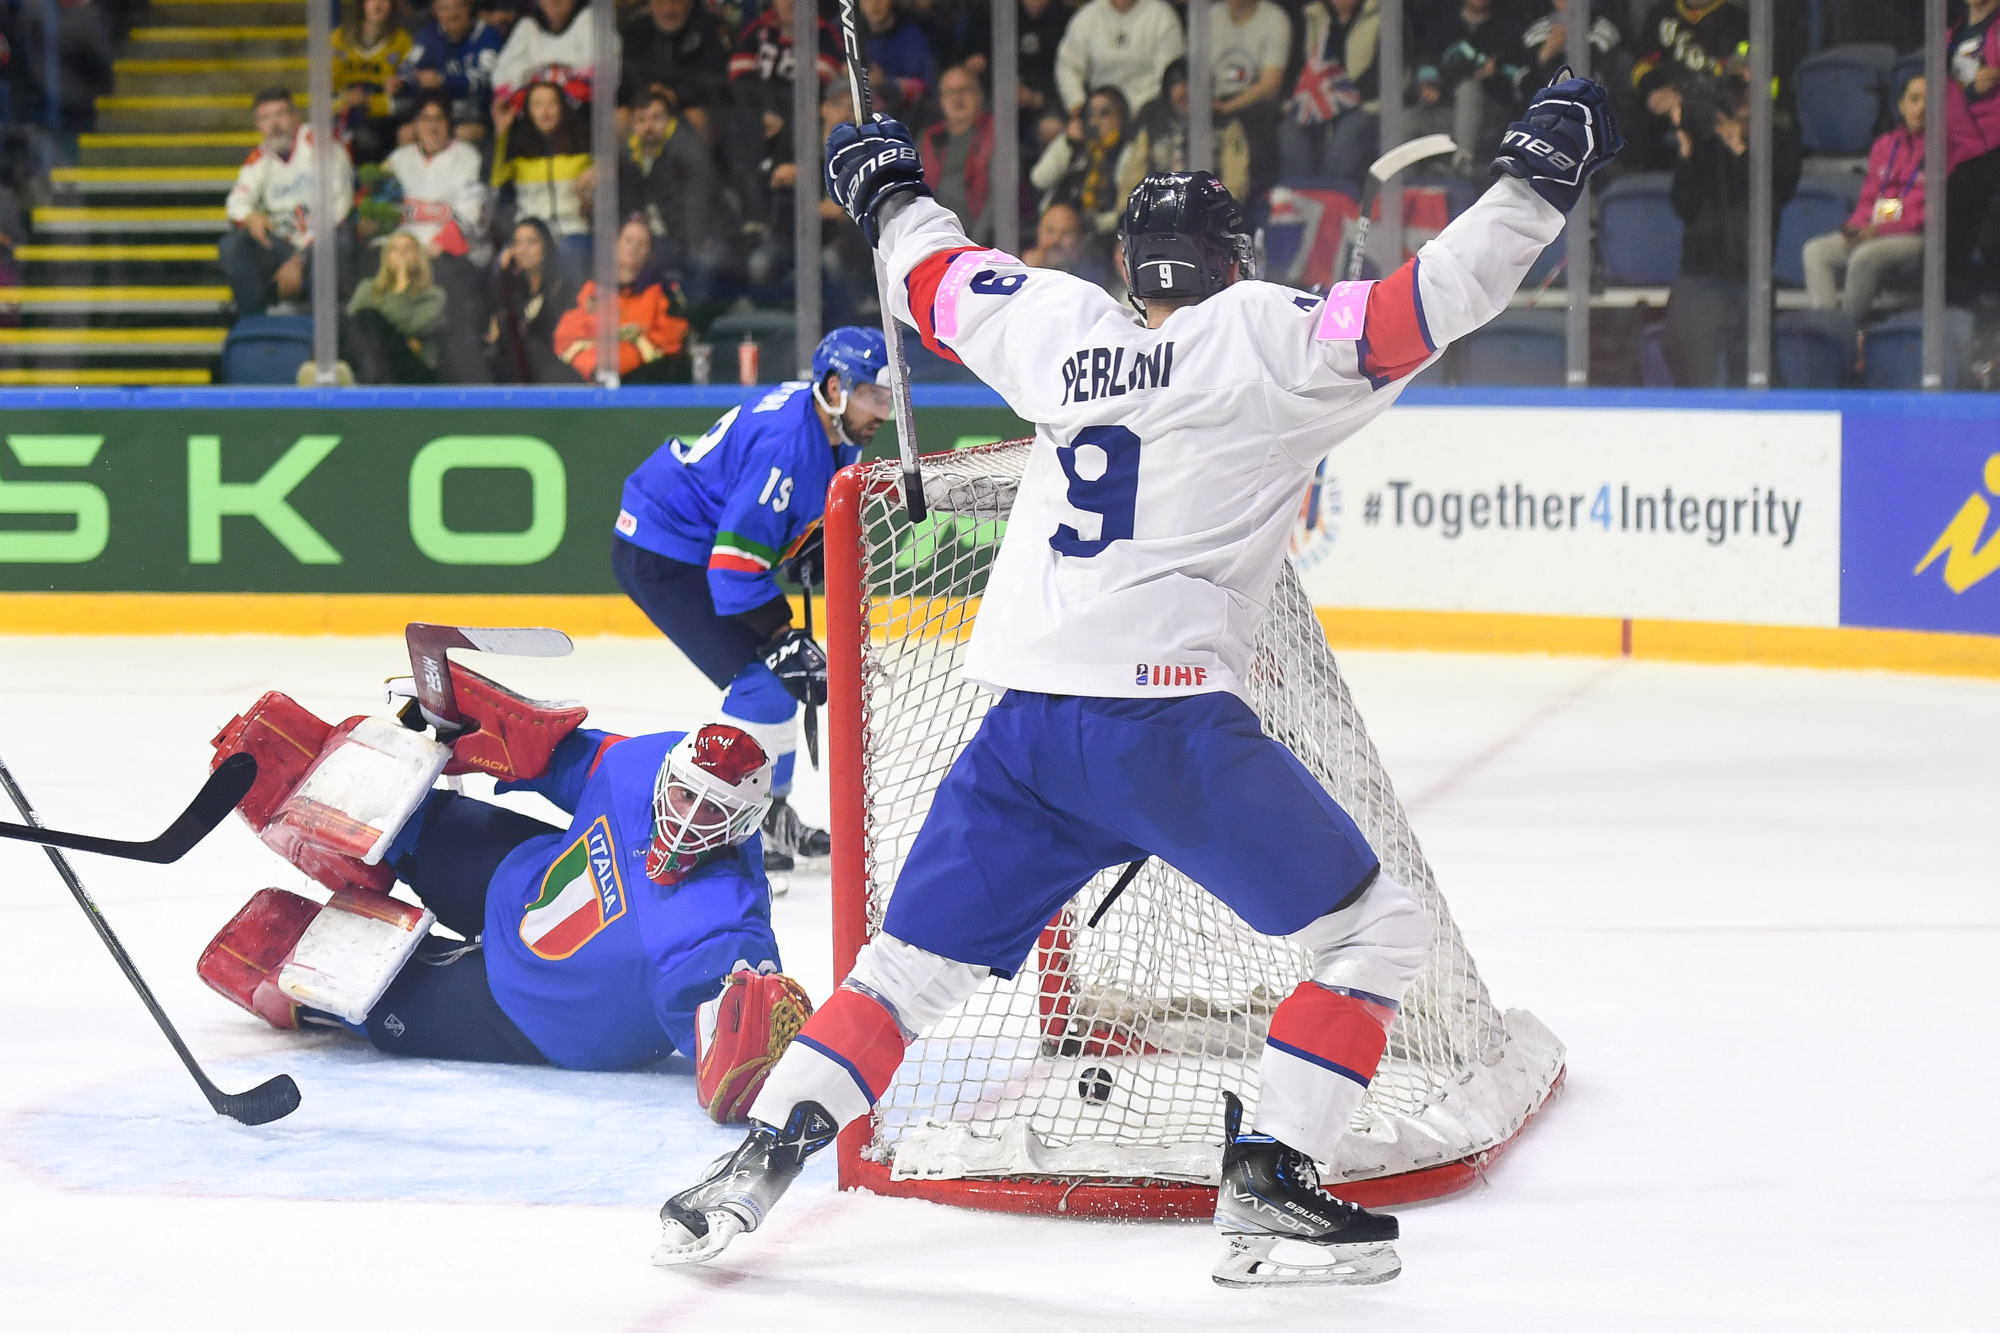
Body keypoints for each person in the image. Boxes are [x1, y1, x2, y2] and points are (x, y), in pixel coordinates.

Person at [654, 70, 1618, 1284]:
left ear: (1125, 268)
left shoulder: (1062, 329)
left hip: (1017, 736)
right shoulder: (1269, 331)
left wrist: (889, 190)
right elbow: (1430, 300)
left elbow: (936, 280)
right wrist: (1532, 187)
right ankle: (1270, 1180)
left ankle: (754, 1164)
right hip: (1163, 729)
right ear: (1232, 259)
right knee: (1374, 929)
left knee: (902, 971)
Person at [197, 674, 810, 1119]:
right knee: (375, 801)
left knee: (340, 983)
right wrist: (495, 742)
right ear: (669, 774)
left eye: (715, 812)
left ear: (747, 823)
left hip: (538, 1018)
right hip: (516, 877)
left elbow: (735, 1067)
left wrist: (762, 1054)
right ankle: (315, 828)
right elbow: (558, 760)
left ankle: (304, 992)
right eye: (684, 796)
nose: (690, 820)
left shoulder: (721, 934)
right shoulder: (641, 766)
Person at [611, 327, 895, 871]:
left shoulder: (825, 420)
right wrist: (782, 635)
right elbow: (734, 569)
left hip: (695, 545)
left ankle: (771, 815)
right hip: (663, 553)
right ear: (835, 388)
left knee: (775, 684)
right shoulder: (788, 445)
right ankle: (734, 824)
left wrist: (801, 543)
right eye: (871, 395)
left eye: (887, 397)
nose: (881, 409)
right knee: (765, 683)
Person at [1664, 71, 1801, 386]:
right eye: (1736, 89)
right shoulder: (1704, 141)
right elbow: (1682, 205)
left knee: (1753, 376)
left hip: (1749, 274)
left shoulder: (1780, 140)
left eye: (1751, 89)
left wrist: (1740, 149)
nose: (1743, 96)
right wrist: (1687, 149)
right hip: (1700, 273)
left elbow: (1773, 197)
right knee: (1695, 375)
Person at [221, 88, 355, 319]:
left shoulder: (317, 142)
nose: (274, 124)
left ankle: (326, 325)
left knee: (340, 240)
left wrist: (300, 259)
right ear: (258, 125)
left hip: (322, 242)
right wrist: (251, 217)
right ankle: (255, 324)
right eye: (266, 117)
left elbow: (341, 206)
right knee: (232, 244)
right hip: (285, 244)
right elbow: (235, 202)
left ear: (295, 116)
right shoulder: (259, 158)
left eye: (280, 114)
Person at [1804, 74, 1926, 324]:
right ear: (1901, 106)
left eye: (1929, 100)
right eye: (1914, 99)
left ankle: (1848, 330)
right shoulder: (1884, 145)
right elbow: (1868, 200)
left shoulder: (1947, 149)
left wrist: (1878, 230)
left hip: (1916, 235)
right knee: (1815, 252)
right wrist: (1855, 227)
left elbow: (1924, 213)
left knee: (1864, 256)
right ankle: (1830, 330)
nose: (1922, 107)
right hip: (1875, 229)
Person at [385, 95, 493, 378]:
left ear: (448, 125)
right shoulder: (398, 160)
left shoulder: (467, 156)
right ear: (415, 126)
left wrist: (436, 247)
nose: (432, 126)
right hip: (401, 254)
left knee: (452, 308)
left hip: (446, 254)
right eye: (425, 119)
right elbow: (381, 211)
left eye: (439, 119)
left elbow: (470, 213)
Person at [617, 86, 734, 297]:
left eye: (657, 118)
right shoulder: (629, 155)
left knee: (702, 262)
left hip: (702, 237)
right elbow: (628, 205)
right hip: (661, 240)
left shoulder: (687, 149)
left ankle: (695, 324)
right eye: (641, 120)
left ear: (670, 120)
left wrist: (695, 242)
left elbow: (697, 202)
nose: (648, 126)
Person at [555, 214, 692, 381]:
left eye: (641, 244)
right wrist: (593, 365)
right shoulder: (591, 289)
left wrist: (622, 359)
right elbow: (566, 337)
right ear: (616, 245)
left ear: (650, 253)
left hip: (640, 382)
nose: (633, 248)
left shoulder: (663, 291)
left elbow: (670, 339)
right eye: (628, 240)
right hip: (590, 378)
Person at [1411, 0, 1529, 176]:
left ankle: (1463, 163)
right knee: (1406, 120)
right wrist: (1428, 86)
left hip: (1492, 116)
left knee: (1469, 89)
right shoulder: (1444, 28)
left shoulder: (1509, 30)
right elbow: (1427, 66)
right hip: (1449, 113)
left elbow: (1522, 82)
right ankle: (1400, 190)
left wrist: (1494, 75)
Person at [1626, 0, 1747, 171]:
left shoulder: (1738, 21)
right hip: (1664, 102)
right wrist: (1654, 91)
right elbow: (1642, 66)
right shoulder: (1660, 15)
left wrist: (1682, 94)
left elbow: (1735, 75)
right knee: (1634, 122)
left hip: (1713, 106)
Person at [492, 80, 594, 283]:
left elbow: (616, 166)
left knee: (568, 254)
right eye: (537, 104)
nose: (544, 111)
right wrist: (501, 134)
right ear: (528, 110)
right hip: (531, 235)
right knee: (500, 263)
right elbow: (494, 182)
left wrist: (600, 169)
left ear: (562, 107)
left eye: (551, 103)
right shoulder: (517, 152)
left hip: (573, 231)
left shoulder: (583, 147)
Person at [1280, 0, 1380, 186]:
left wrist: (1341, 97)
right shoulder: (1310, 17)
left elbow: (1384, 74)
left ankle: (1331, 200)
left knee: (1349, 131)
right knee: (1289, 130)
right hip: (1314, 102)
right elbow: (1297, 68)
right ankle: (1297, 200)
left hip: (1366, 107)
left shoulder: (1382, 18)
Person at [1125, 58, 1251, 204]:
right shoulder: (1152, 129)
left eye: (1189, 83)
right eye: (1175, 84)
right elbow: (1133, 179)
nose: (1182, 92)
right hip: (1159, 214)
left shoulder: (1226, 127)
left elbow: (1236, 182)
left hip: (1209, 214)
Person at [1032, 84, 1138, 236]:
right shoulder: (1076, 147)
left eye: (1104, 114)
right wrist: (1068, 144)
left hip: (1106, 236)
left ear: (1121, 118)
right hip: (1060, 228)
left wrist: (1091, 223)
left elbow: (1125, 212)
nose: (1094, 122)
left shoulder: (1130, 153)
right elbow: (1039, 180)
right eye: (1090, 114)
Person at [1946, 0, 2000, 298]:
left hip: (1996, 147)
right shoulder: (1951, 35)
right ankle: (1958, 322)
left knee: (1993, 240)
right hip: (1964, 151)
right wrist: (1970, 83)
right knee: (1948, 244)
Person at [1208, 0, 1289, 196]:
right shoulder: (1210, 17)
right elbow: (1194, 74)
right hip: (1213, 101)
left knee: (1255, 125)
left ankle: (1242, 201)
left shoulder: (1275, 19)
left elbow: (1270, 85)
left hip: (1254, 104)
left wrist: (1229, 107)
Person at [618, 0, 732, 137]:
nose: (668, 9)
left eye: (676, 1)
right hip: (645, 104)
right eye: (661, 3)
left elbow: (716, 80)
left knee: (696, 118)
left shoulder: (710, 27)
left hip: (688, 107)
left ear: (689, 3)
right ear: (650, 4)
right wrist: (650, 94)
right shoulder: (636, 29)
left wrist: (675, 95)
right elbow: (627, 78)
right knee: (619, 118)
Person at [345, 229, 446, 382]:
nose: (401, 255)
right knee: (343, 319)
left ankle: (375, 385)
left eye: (408, 249)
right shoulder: (368, 288)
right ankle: (319, 373)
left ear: (419, 255)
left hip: (415, 369)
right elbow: (353, 324)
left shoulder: (433, 296)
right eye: (395, 250)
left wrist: (400, 284)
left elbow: (406, 326)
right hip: (370, 361)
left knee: (372, 319)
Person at [489, 216, 582, 381]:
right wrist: (504, 276)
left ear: (545, 246)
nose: (522, 250)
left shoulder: (564, 291)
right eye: (517, 243)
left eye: (531, 242)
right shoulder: (511, 291)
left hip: (553, 378)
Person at [1054, 0, 1184, 118]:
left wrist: (1152, 109)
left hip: (1151, 113)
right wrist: (1077, 104)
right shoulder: (1087, 17)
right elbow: (1067, 66)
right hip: (1100, 115)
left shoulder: (1162, 16)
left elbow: (1170, 74)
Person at [399, 0, 505, 134]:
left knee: (462, 133)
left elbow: (485, 79)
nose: (452, 14)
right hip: (436, 116)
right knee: (407, 133)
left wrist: (442, 81)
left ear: (469, 7)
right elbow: (407, 67)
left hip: (476, 117)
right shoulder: (429, 34)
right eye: (444, 8)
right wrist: (400, 83)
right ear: (435, 11)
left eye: (458, 6)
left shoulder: (487, 34)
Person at [492, 0, 617, 112]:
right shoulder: (527, 29)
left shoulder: (589, 21)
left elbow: (603, 79)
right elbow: (503, 85)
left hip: (583, 119)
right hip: (532, 125)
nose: (553, 1)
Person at [919, 65, 996, 245]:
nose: (957, 98)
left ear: (979, 95)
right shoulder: (928, 137)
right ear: (941, 100)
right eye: (950, 92)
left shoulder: (995, 132)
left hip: (979, 239)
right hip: (935, 237)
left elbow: (998, 198)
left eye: (965, 90)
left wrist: (974, 243)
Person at [331, 0, 415, 164]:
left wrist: (371, 102)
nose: (378, 5)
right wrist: (345, 100)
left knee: (367, 137)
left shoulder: (402, 40)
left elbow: (408, 100)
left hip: (384, 121)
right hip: (344, 118)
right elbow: (326, 93)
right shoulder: (338, 39)